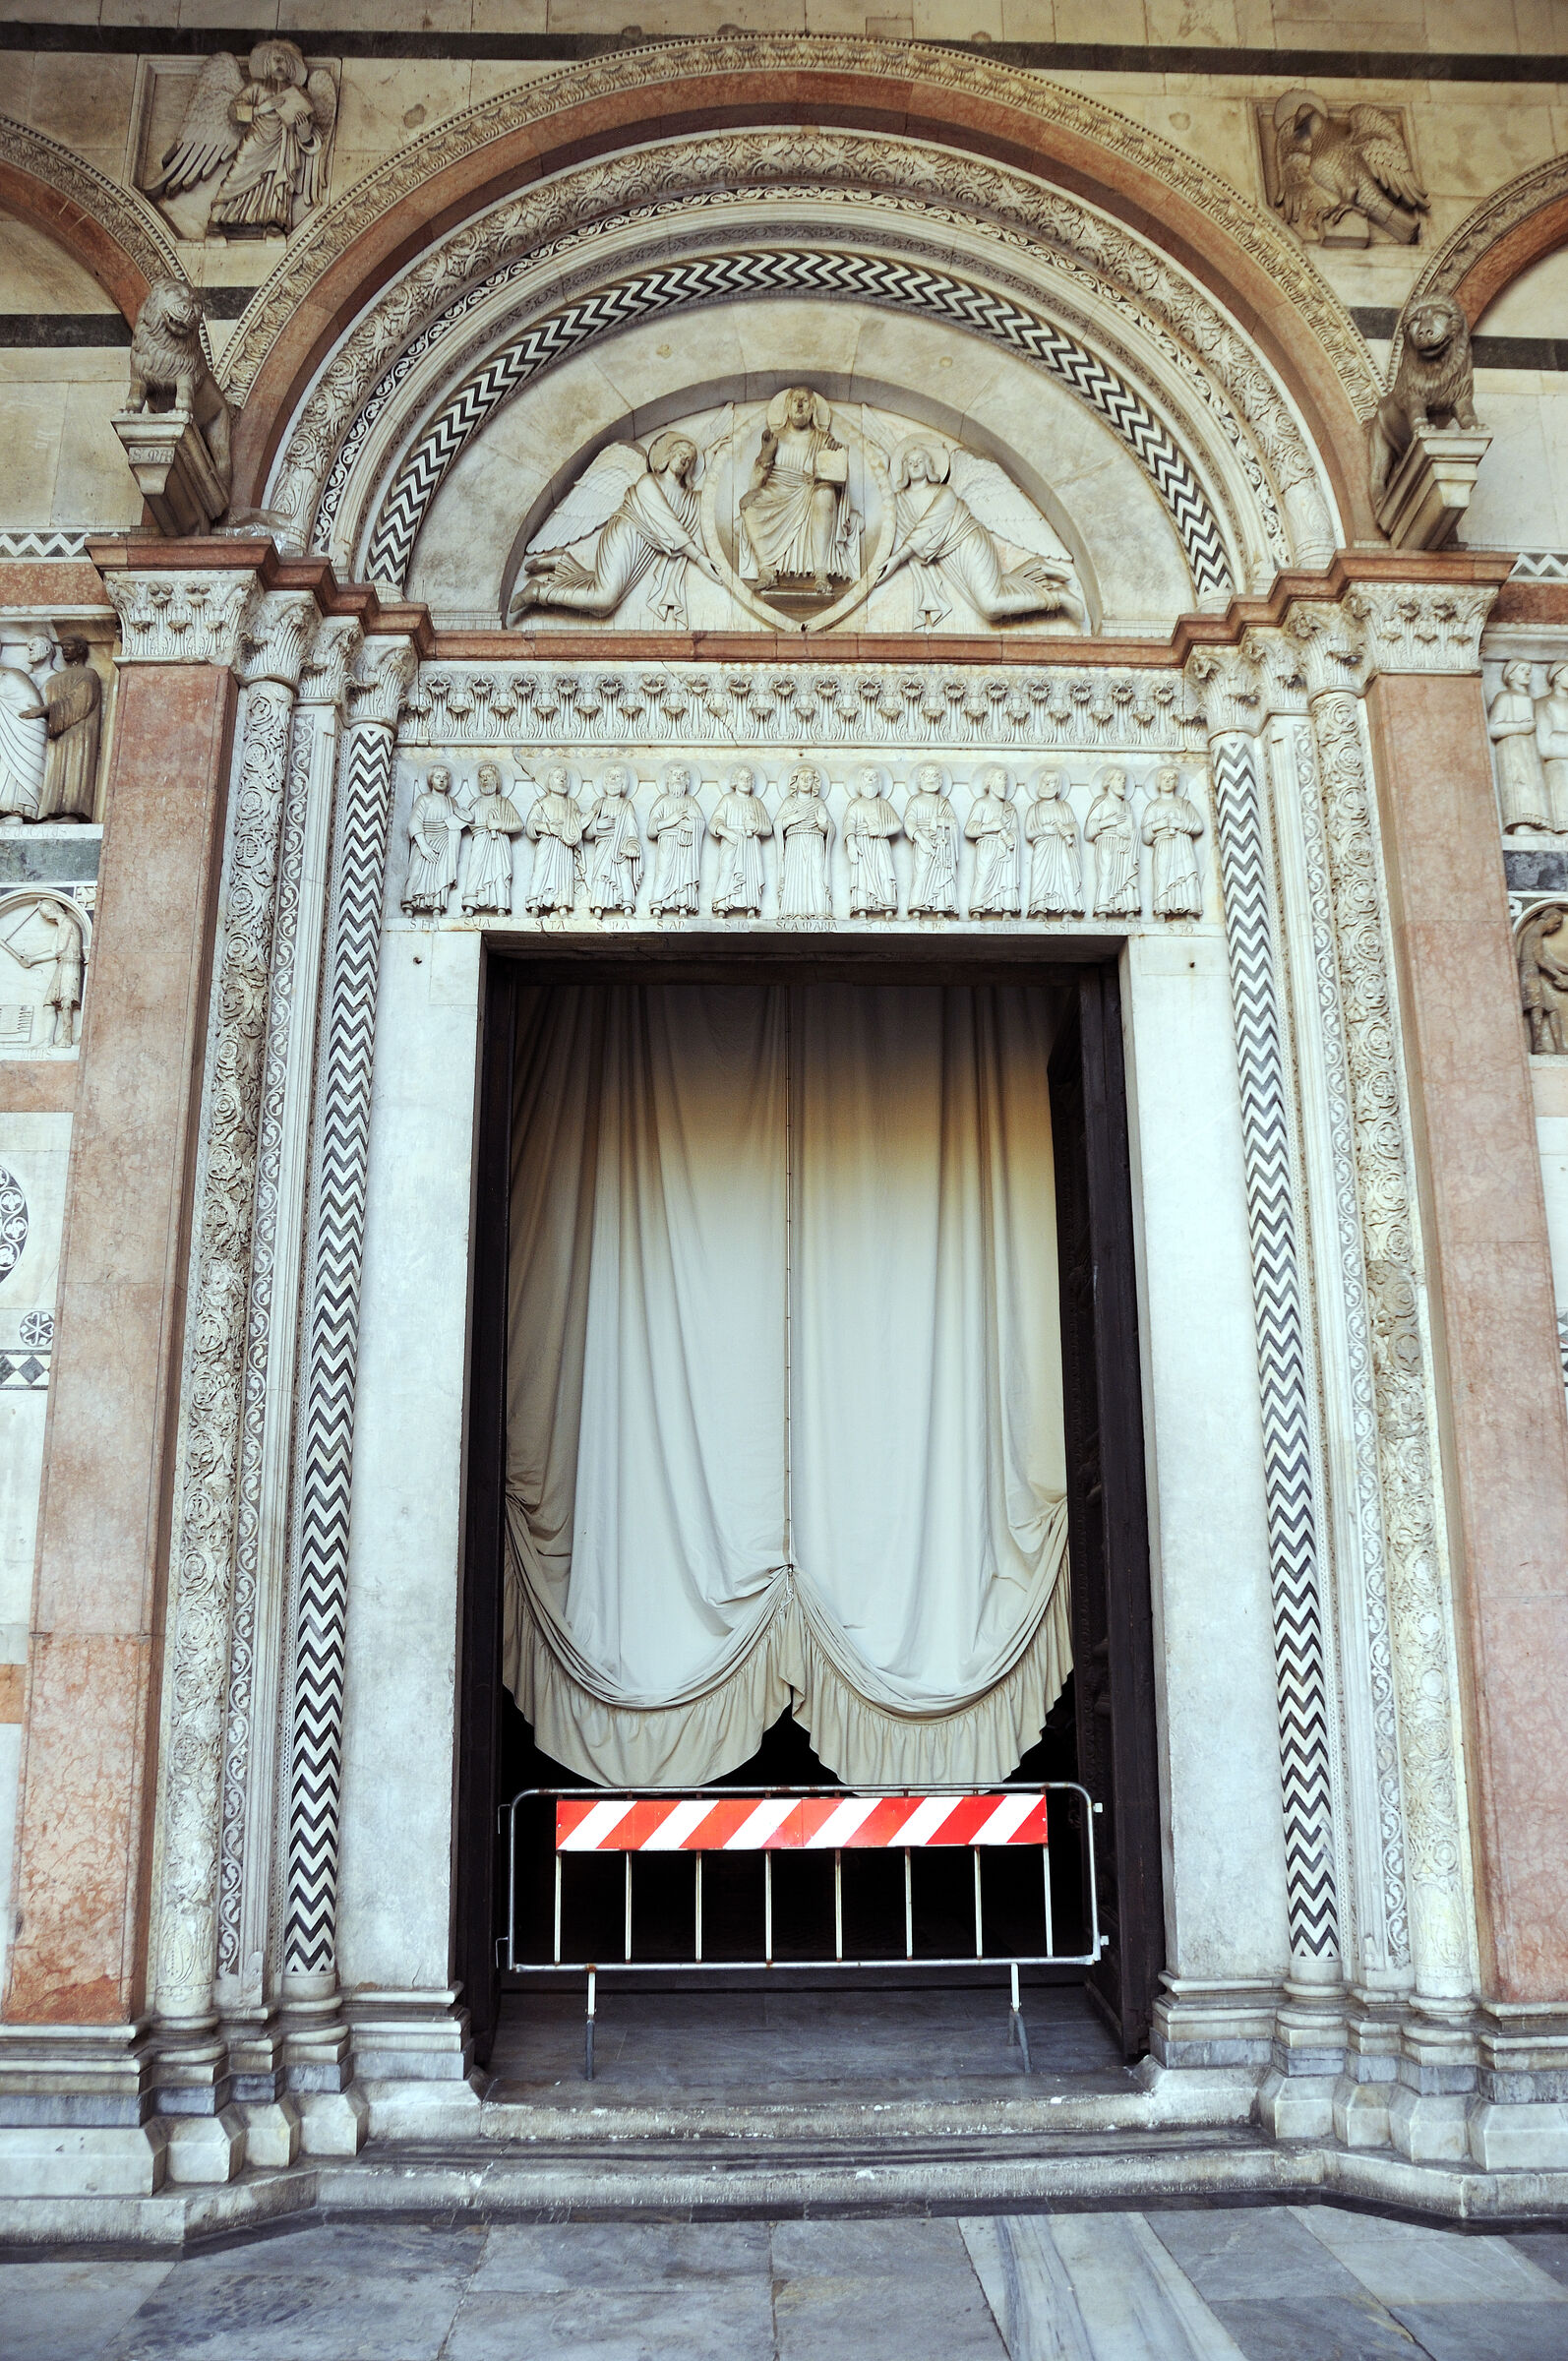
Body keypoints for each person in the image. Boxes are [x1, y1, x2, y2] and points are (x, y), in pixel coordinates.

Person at [739, 387, 858, 594]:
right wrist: (766, 453)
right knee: (750, 506)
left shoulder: (823, 438)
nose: (800, 405)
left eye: (804, 401)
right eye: (795, 401)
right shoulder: (775, 436)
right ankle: (767, 570)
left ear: (812, 410)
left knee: (825, 494)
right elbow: (759, 473)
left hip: (810, 489)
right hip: (777, 490)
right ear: (787, 407)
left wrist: (834, 452)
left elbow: (836, 472)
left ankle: (821, 572)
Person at [36, 639, 100, 822]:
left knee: (76, 767)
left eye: (69, 645)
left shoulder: (89, 674)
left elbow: (81, 699)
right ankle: (52, 812)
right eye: (62, 646)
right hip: (58, 732)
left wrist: (46, 710)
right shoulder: (54, 678)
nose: (65, 649)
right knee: (55, 769)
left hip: (79, 731)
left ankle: (74, 813)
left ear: (81, 649)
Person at [1489, 661, 1548, 832]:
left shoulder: (1530, 699)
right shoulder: (1505, 697)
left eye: (1529, 670)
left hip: (1530, 749)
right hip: (1513, 748)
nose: (1528, 673)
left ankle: (1539, 823)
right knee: (1519, 783)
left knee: (1534, 783)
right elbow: (1493, 727)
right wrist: (1521, 727)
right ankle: (1520, 824)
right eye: (1522, 670)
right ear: (1511, 675)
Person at [1140, 764, 1205, 919]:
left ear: (1176, 783)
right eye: (1164, 778)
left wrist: (1180, 824)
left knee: (1187, 875)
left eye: (1171, 778)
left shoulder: (1184, 805)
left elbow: (1198, 826)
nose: (1167, 781)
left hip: (1183, 845)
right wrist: (1158, 825)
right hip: (1163, 845)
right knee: (1163, 877)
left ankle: (1190, 909)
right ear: (1158, 782)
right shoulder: (1153, 806)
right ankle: (1162, 910)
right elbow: (1145, 836)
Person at [710, 763, 772, 917]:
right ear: (735, 781)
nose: (745, 781)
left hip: (751, 844)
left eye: (748, 778)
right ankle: (722, 904)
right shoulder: (728, 800)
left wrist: (755, 826)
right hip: (731, 841)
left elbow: (768, 828)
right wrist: (726, 832)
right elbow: (714, 822)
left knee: (750, 873)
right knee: (727, 870)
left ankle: (750, 905)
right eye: (742, 778)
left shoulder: (756, 802)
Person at [466, 762, 526, 915]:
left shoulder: (504, 802)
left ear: (497, 780)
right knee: (475, 873)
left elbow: (519, 825)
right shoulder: (475, 803)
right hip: (480, 843)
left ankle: (501, 907)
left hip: (499, 842)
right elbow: (463, 821)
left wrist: (501, 825)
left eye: (489, 776)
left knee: (500, 872)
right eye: (482, 777)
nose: (485, 780)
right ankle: (470, 906)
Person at [401, 767, 463, 915]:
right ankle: (410, 903)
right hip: (426, 838)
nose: (441, 780)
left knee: (441, 874)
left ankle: (437, 905)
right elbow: (414, 822)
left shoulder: (452, 802)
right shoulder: (424, 799)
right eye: (437, 777)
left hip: (445, 841)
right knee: (418, 871)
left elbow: (458, 820)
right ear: (431, 780)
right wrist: (423, 846)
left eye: (444, 778)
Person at [775, 762, 833, 919]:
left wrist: (823, 825)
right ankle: (795, 912)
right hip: (795, 842)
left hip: (815, 842)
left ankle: (819, 911)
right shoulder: (789, 803)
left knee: (816, 874)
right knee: (795, 876)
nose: (806, 781)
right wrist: (790, 819)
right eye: (803, 778)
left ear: (815, 782)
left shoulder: (818, 803)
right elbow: (777, 824)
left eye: (810, 778)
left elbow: (831, 828)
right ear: (796, 781)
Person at [843, 763, 900, 917]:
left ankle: (887, 906)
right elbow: (849, 824)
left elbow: (897, 824)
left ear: (879, 782)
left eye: (874, 777)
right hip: (862, 844)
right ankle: (862, 907)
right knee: (862, 875)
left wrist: (881, 830)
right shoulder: (855, 805)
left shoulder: (883, 804)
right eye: (867, 777)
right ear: (860, 781)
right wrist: (851, 843)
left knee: (884, 871)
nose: (871, 780)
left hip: (880, 844)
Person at [585, 765, 643, 915]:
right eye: (610, 776)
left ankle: (627, 906)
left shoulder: (626, 805)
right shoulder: (599, 804)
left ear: (623, 782)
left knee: (624, 873)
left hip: (620, 846)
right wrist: (597, 826)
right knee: (600, 875)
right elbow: (587, 834)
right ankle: (598, 907)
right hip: (603, 845)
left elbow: (632, 829)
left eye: (617, 777)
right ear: (604, 781)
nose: (613, 780)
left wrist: (632, 845)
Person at [964, 764, 1021, 916]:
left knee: (1006, 879)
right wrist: (989, 826)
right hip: (987, 846)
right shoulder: (981, 803)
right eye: (1001, 778)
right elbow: (969, 829)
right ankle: (977, 908)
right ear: (990, 781)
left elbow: (1015, 829)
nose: (1004, 783)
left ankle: (1006, 909)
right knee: (983, 876)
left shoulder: (1010, 807)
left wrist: (1012, 837)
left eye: (1006, 780)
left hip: (1005, 848)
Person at [648, 764, 704, 916]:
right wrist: (670, 821)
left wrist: (693, 825)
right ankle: (657, 905)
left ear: (687, 781)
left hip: (685, 844)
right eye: (675, 775)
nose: (678, 778)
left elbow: (701, 822)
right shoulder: (663, 800)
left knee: (684, 873)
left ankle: (683, 905)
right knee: (663, 872)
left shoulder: (691, 801)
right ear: (668, 779)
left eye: (681, 775)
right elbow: (651, 829)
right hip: (667, 842)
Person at [1025, 770, 1083, 916]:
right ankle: (1040, 910)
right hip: (1043, 850)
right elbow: (1028, 833)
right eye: (1045, 782)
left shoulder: (1065, 807)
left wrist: (1068, 829)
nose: (1048, 785)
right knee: (1040, 877)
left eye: (1052, 782)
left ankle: (1067, 910)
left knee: (1065, 875)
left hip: (1063, 848)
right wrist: (1045, 829)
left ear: (1058, 787)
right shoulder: (1035, 808)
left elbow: (1075, 826)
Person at [906, 762, 959, 916]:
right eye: (927, 775)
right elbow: (909, 822)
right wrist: (921, 838)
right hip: (923, 841)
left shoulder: (943, 802)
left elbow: (953, 822)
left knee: (942, 874)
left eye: (934, 775)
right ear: (920, 779)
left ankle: (941, 908)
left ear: (940, 780)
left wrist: (943, 822)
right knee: (921, 873)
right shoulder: (915, 801)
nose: (931, 779)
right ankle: (917, 906)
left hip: (941, 843)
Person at [1087, 767, 1140, 916]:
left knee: (1126, 877)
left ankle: (1128, 909)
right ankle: (1102, 908)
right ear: (1108, 782)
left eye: (1124, 780)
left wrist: (1129, 834)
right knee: (1106, 875)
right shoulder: (1101, 802)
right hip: (1106, 842)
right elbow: (1089, 831)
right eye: (1119, 779)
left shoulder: (1126, 805)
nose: (1123, 782)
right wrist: (1108, 822)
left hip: (1124, 845)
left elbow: (1133, 828)